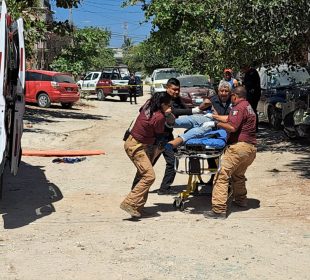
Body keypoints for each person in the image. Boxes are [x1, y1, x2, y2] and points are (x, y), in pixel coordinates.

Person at [132, 78, 208, 195]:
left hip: (167, 136)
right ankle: (135, 190)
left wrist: (197, 114)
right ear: (167, 87)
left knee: (172, 161)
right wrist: (195, 110)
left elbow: (183, 110)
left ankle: (164, 188)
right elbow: (174, 111)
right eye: (174, 89)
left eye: (178, 90)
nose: (176, 92)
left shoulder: (177, 99)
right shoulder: (160, 97)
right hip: (155, 138)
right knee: (148, 165)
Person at [203, 86, 257, 219]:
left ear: (234, 96)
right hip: (250, 150)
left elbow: (232, 127)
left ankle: (219, 210)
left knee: (221, 175)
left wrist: (216, 125)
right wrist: (215, 116)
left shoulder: (238, 107)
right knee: (238, 175)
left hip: (238, 148)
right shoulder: (247, 106)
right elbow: (230, 118)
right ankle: (241, 200)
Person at [120, 92, 172, 218]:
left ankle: (138, 207)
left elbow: (142, 112)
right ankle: (130, 203)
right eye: (168, 105)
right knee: (149, 176)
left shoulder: (149, 104)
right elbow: (159, 135)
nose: (170, 106)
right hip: (136, 146)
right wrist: (168, 115)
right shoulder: (159, 117)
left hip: (136, 143)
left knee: (142, 175)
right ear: (162, 104)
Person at [168, 81, 232, 148]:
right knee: (192, 119)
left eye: (226, 91)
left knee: (199, 130)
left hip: (218, 124)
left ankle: (174, 143)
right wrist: (204, 104)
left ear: (230, 92)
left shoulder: (232, 101)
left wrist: (214, 116)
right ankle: (167, 122)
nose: (224, 93)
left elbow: (230, 118)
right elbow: (200, 109)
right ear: (218, 91)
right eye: (222, 91)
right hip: (209, 118)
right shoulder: (214, 99)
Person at [241, 64, 261, 131]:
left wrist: (252, 90)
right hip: (249, 95)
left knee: (252, 111)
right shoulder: (247, 73)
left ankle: (254, 128)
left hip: (253, 95)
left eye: (243, 68)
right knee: (249, 111)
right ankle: (251, 127)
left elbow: (255, 84)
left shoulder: (253, 72)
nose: (242, 70)